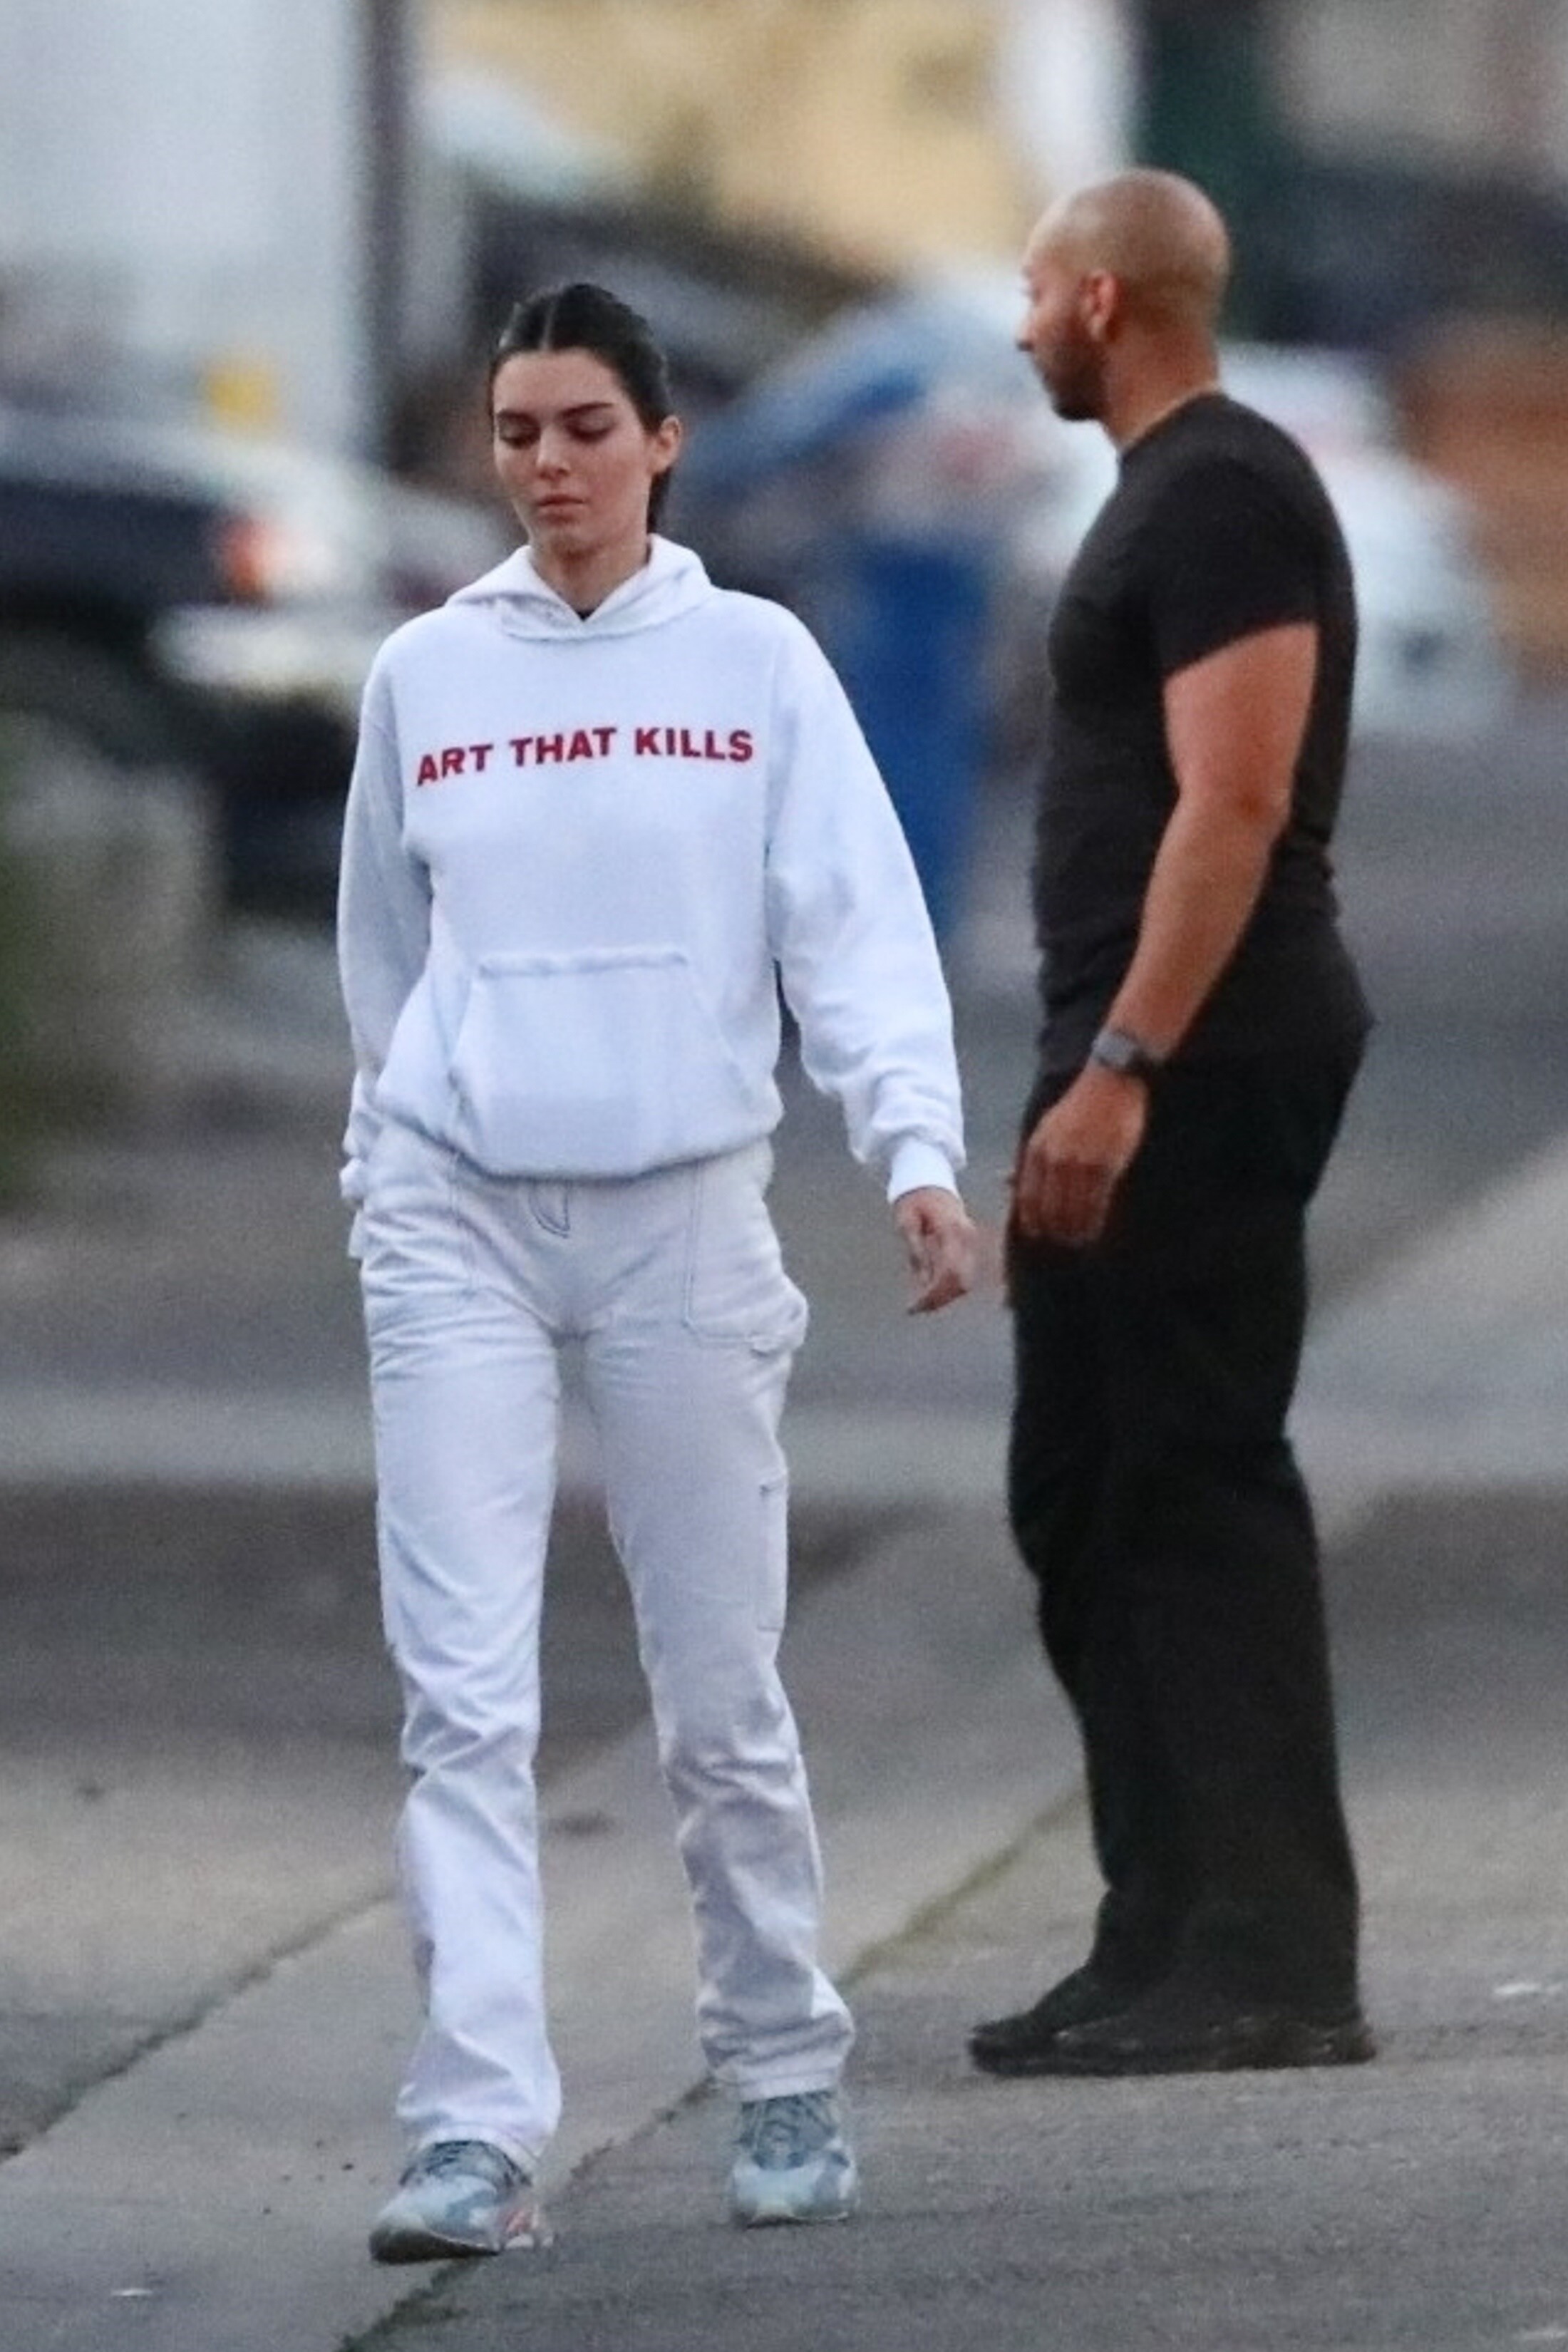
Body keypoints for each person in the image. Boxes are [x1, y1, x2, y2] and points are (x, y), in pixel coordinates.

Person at [337, 282, 976, 2259]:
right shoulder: (426, 673)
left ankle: (780, 2056)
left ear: (664, 442)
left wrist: (913, 1150)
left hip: (683, 1207)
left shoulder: (755, 662)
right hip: (455, 1207)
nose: (550, 466)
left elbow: (851, 925)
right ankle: (472, 2130)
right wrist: (385, 1159)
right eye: (519, 431)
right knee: (462, 1693)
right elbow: (385, 957)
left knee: (717, 1685)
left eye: (587, 429)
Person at [969, 171, 1374, 2080]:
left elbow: (1238, 799)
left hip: (1198, 1054)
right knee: (1085, 1487)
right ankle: (1161, 1927)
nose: (1019, 326)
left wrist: (1124, 1068)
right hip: (1127, 1053)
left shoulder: (1223, 494)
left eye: (1033, 291)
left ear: (1104, 301)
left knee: (1192, 1481)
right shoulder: (1168, 492)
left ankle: (1271, 1954)